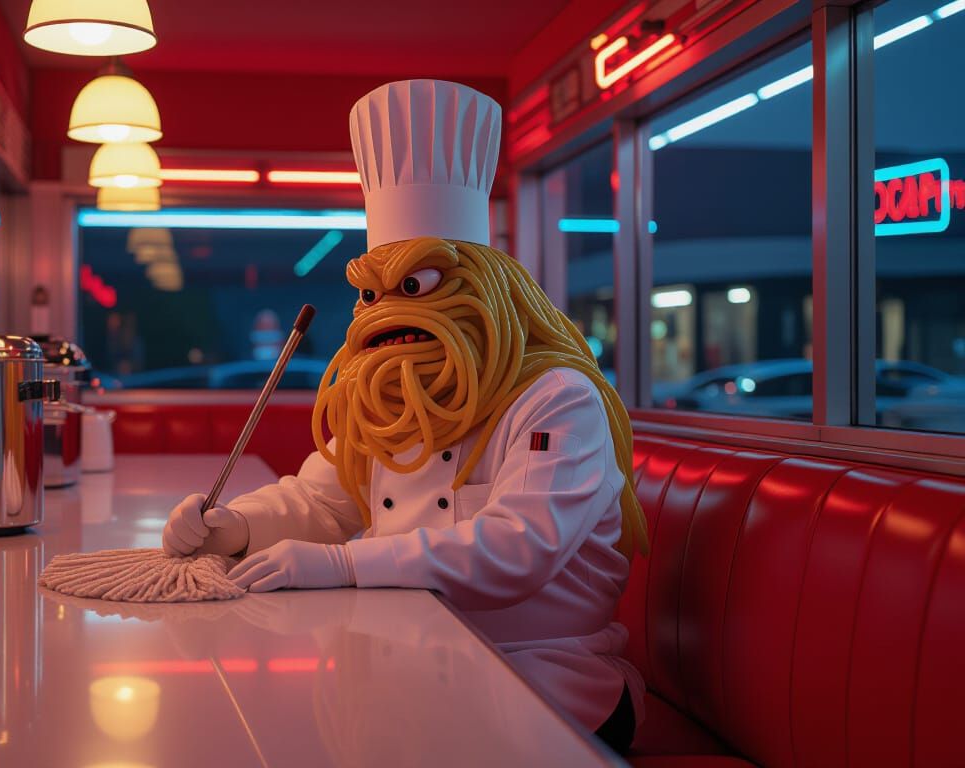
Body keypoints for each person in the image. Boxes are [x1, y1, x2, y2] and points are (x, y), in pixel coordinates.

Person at [161, 79, 648, 752]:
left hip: (547, 685)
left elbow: (520, 547)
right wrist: (235, 526)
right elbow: (323, 500)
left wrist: (344, 565)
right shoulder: (386, 397)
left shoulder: (556, 397)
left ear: (488, 286)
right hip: (399, 665)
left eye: (413, 287)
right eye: (371, 292)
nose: (387, 309)